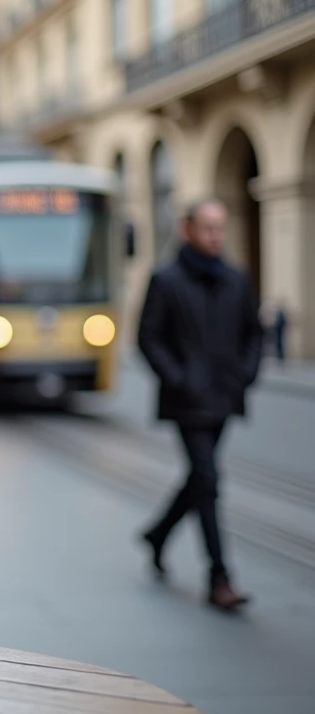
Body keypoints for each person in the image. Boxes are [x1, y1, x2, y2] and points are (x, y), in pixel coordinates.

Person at [137, 199, 262, 612]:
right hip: (187, 400)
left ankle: (157, 534)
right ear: (187, 229)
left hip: (224, 395)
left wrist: (245, 373)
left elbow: (253, 333)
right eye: (208, 228)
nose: (216, 236)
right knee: (207, 479)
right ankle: (219, 576)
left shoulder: (235, 278)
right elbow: (148, 337)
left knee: (200, 477)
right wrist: (178, 378)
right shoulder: (166, 279)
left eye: (221, 228)